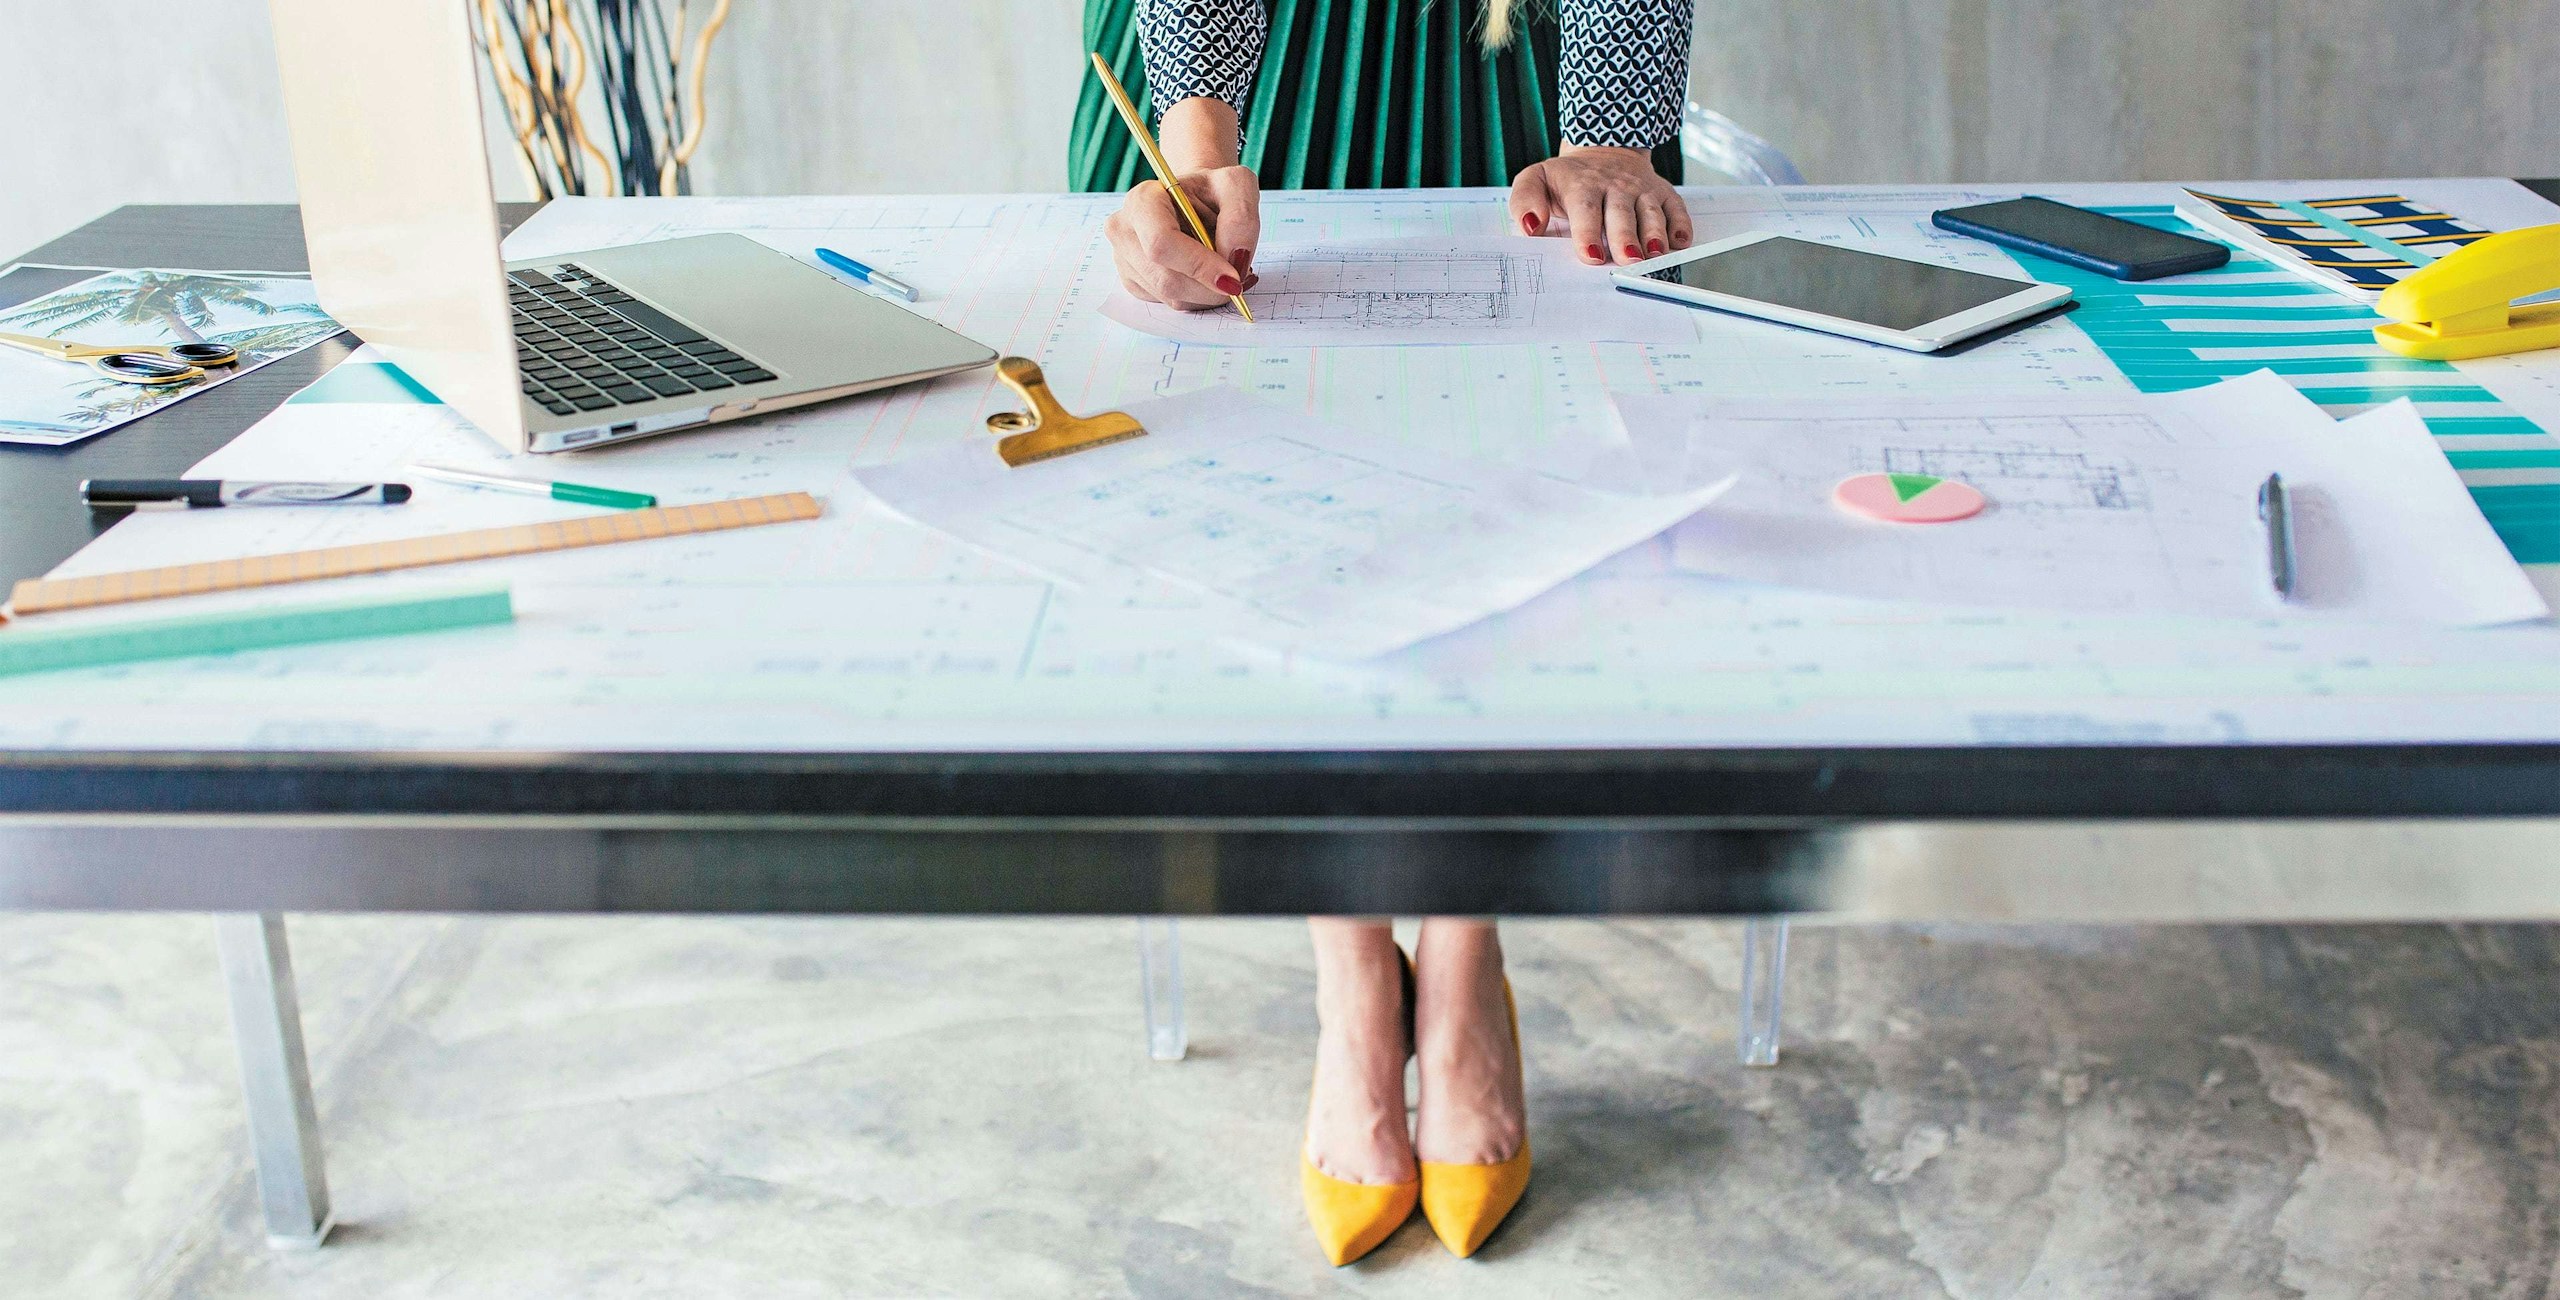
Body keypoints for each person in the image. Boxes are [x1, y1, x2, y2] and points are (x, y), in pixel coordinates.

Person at [1071, 0, 1700, 1265]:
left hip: (1510, 73)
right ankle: (1355, 974)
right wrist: (1196, 142)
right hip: (1227, 95)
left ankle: (1465, 961)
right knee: (1252, 527)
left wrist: (1617, 138)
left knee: (1516, 530)